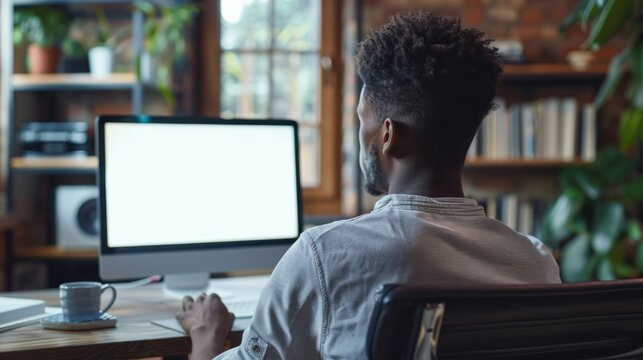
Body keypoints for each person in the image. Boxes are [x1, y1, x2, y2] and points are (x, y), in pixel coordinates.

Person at [176, 11, 561, 360]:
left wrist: (206, 339)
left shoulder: (323, 256)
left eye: (363, 120)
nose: (360, 135)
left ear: (388, 134)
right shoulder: (535, 263)